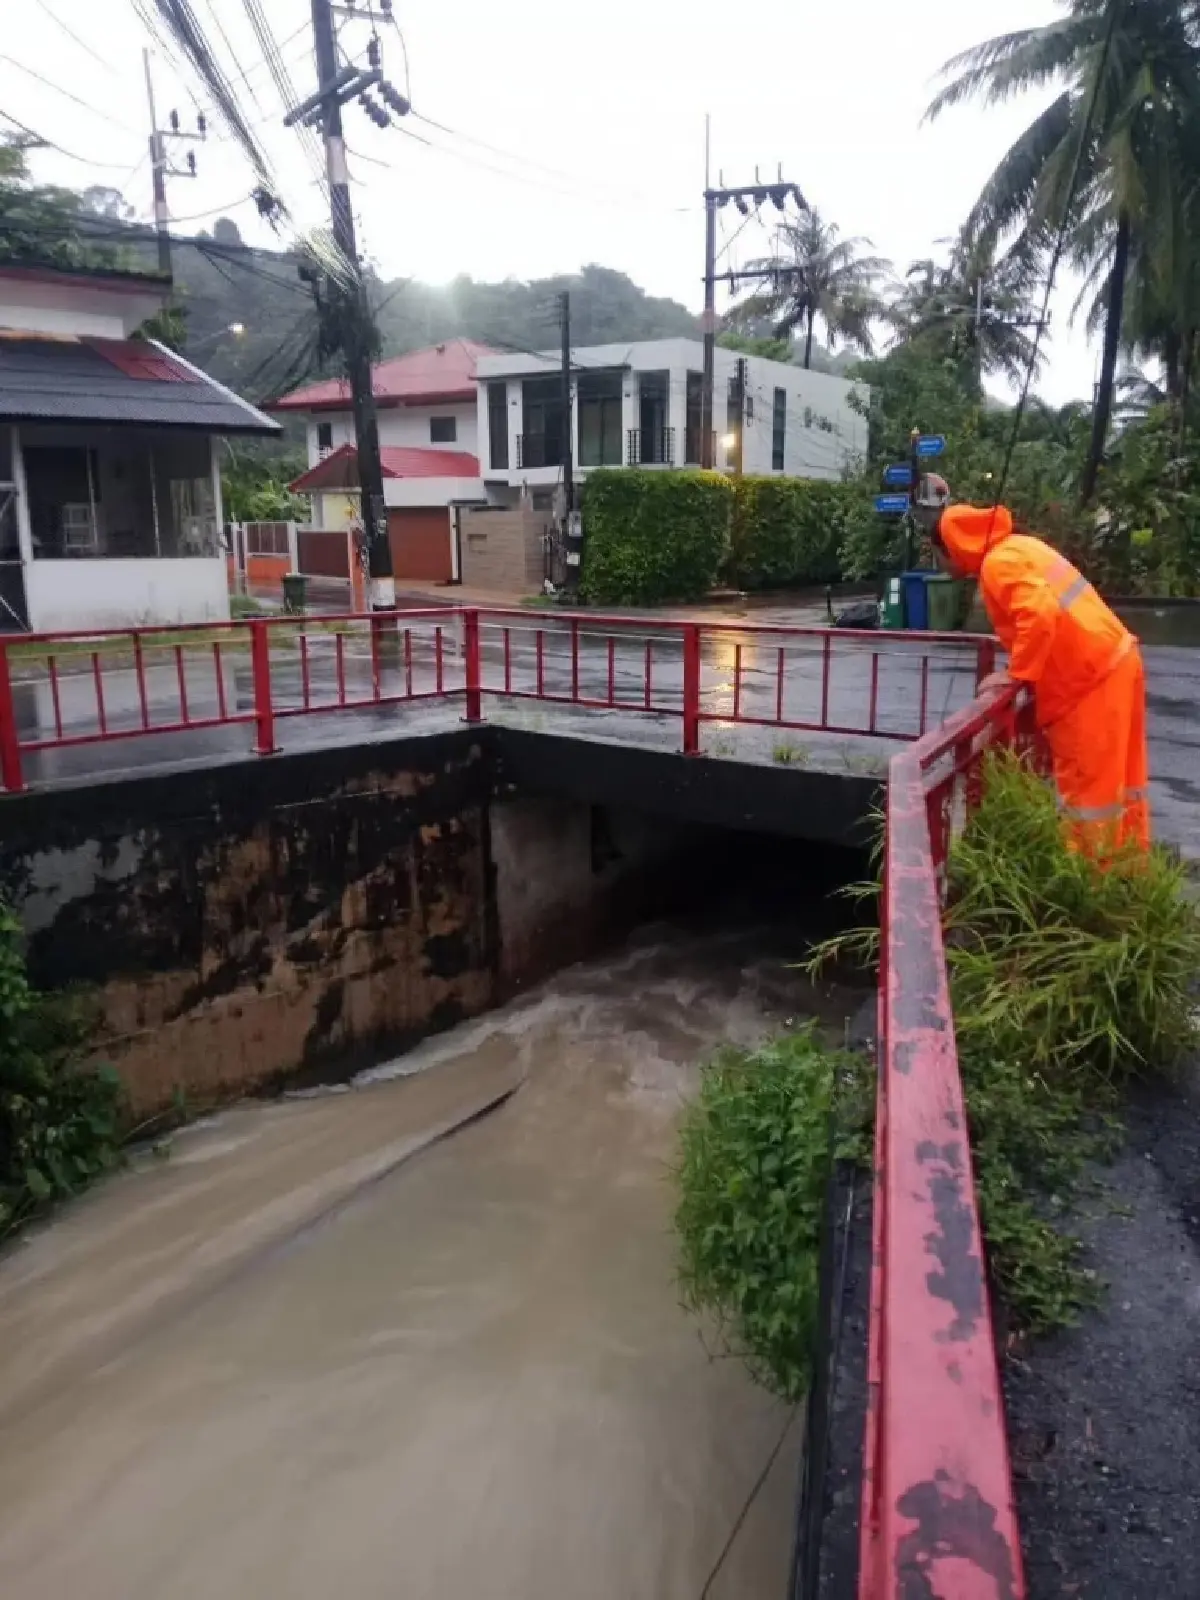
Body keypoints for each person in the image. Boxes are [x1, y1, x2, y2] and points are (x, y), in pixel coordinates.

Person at [913, 474, 1150, 854]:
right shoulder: (1020, 548)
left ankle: (1089, 885)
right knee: (1123, 783)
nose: (939, 564)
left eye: (938, 554)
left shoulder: (997, 564)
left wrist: (1016, 674)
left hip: (1088, 682)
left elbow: (1039, 614)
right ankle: (1128, 871)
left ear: (953, 546)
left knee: (1090, 797)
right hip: (1115, 662)